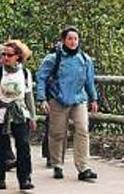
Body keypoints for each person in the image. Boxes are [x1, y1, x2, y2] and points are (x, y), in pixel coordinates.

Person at [36, 26, 99, 182]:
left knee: (83, 129)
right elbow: (41, 77)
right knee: (57, 133)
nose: (73, 42)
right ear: (63, 40)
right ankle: (57, 164)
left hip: (79, 99)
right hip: (58, 99)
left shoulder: (85, 59)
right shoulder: (53, 58)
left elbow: (89, 81)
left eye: (76, 39)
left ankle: (83, 167)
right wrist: (42, 98)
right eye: (70, 38)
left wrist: (94, 99)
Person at [0, 40, 37, 191]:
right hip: (1, 114)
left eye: (9, 55)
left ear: (18, 57)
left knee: (23, 146)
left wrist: (32, 116)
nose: (5, 58)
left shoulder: (25, 74)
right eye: (3, 54)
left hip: (20, 113)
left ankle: (25, 178)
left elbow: (29, 96)